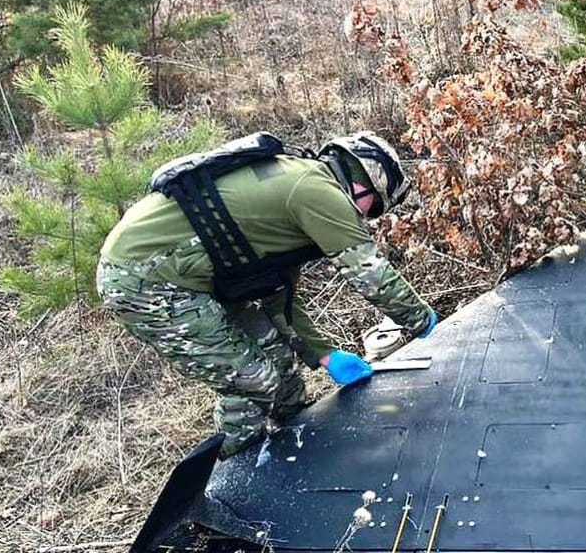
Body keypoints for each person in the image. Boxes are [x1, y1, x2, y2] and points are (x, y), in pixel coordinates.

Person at [96, 131, 437, 457]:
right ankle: (234, 476)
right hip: (144, 276)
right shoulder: (317, 191)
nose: (367, 216)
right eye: (374, 207)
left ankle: (298, 437)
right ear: (365, 182)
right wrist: (423, 323)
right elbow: (370, 274)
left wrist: (324, 355)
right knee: (252, 379)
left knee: (276, 355)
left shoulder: (298, 186)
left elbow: (279, 295)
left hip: (187, 272)